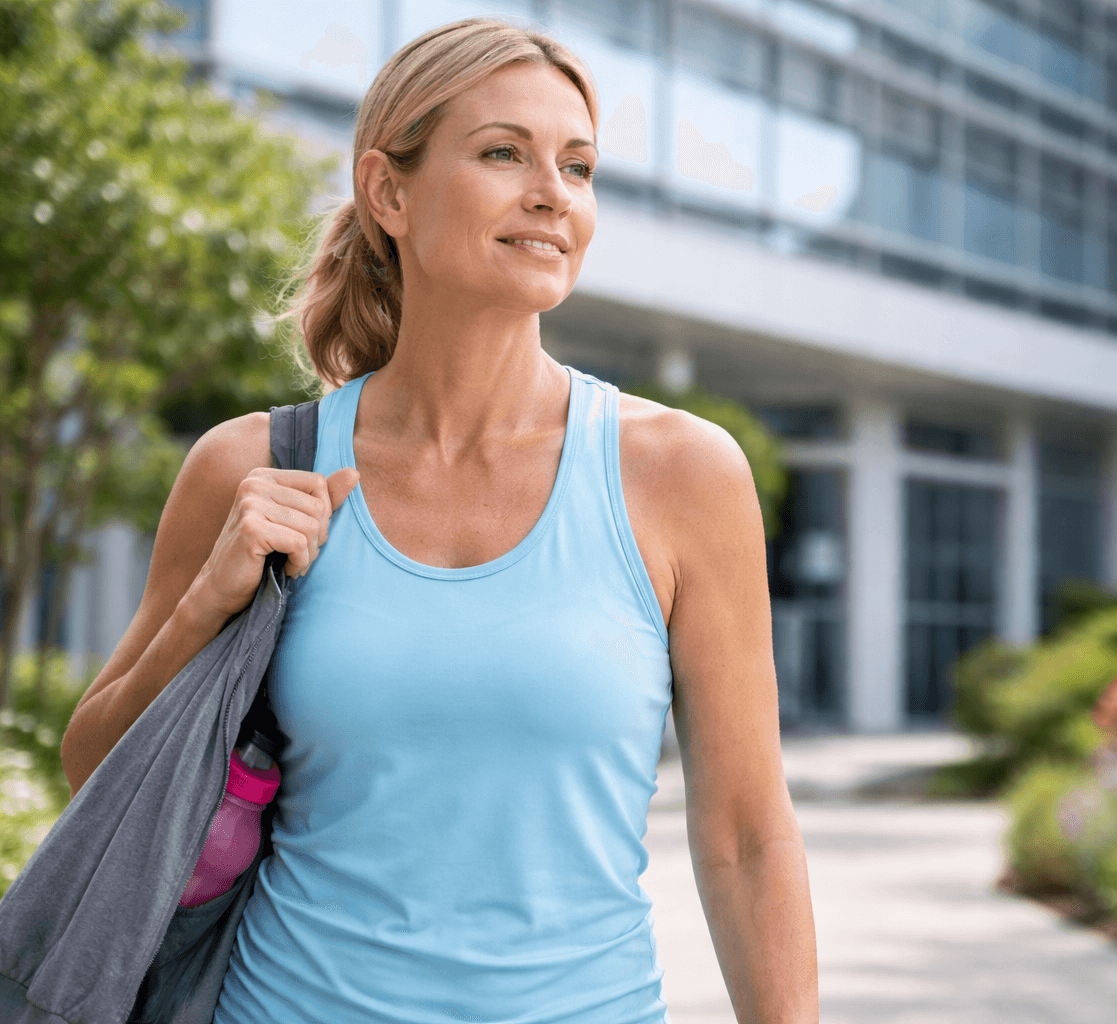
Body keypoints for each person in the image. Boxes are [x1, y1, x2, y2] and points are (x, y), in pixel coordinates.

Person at [58, 18, 817, 1024]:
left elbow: (748, 834)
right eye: (504, 152)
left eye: (578, 165)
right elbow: (92, 772)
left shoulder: (683, 475)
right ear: (389, 191)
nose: (553, 193)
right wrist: (207, 603)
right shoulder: (249, 468)